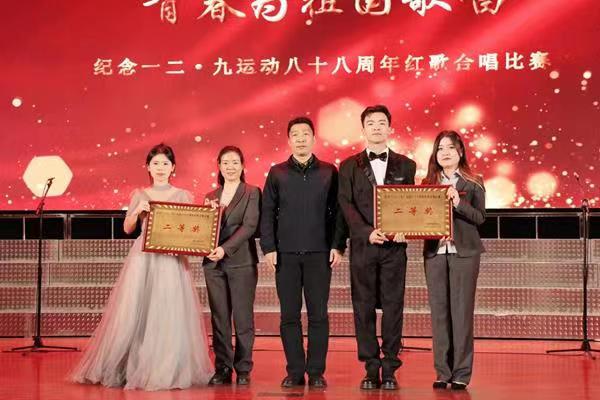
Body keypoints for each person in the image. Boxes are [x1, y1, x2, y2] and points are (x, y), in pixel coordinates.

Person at [70, 143, 213, 391]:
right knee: (138, 311)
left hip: (171, 260)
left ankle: (167, 366)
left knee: (169, 311)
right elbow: (128, 228)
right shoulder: (140, 194)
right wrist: (136, 211)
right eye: (155, 163)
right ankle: (133, 366)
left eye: (165, 163)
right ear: (147, 167)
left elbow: (191, 231)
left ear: (173, 167)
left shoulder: (183, 196)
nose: (160, 168)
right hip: (144, 259)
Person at [260, 117, 347, 389]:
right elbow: (267, 212)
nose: (300, 138)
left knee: (318, 315)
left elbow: (339, 212)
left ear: (313, 139)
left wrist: (338, 245)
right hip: (285, 254)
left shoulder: (329, 172)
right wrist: (269, 248)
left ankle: (317, 371)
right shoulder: (277, 173)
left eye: (305, 134)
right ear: (289, 140)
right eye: (295, 134)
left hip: (319, 253)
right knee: (289, 315)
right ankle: (295, 371)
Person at [338, 105, 416, 390]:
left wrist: (404, 227)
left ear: (390, 128)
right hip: (364, 247)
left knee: (394, 307)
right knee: (364, 308)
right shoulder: (348, 166)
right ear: (363, 129)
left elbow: (410, 202)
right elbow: (346, 204)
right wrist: (366, 232)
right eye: (371, 123)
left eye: (382, 122)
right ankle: (371, 367)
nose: (376, 127)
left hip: (395, 248)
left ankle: (390, 367)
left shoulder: (406, 165)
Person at [422, 131, 486, 391]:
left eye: (450, 148)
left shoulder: (474, 182)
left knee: (461, 314)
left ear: (460, 152)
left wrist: (458, 202)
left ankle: (461, 373)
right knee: (439, 314)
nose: (445, 153)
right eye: (440, 148)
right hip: (435, 253)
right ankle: (442, 372)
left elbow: (480, 217)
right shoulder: (427, 183)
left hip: (464, 253)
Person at [202, 146, 261, 386]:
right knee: (220, 318)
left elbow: (250, 226)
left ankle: (243, 368)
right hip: (213, 264)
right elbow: (204, 229)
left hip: (241, 262)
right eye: (225, 162)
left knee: (243, 318)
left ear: (243, 165)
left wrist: (224, 249)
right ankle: (223, 368)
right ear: (219, 166)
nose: (230, 166)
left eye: (235, 162)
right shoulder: (210, 196)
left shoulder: (252, 192)